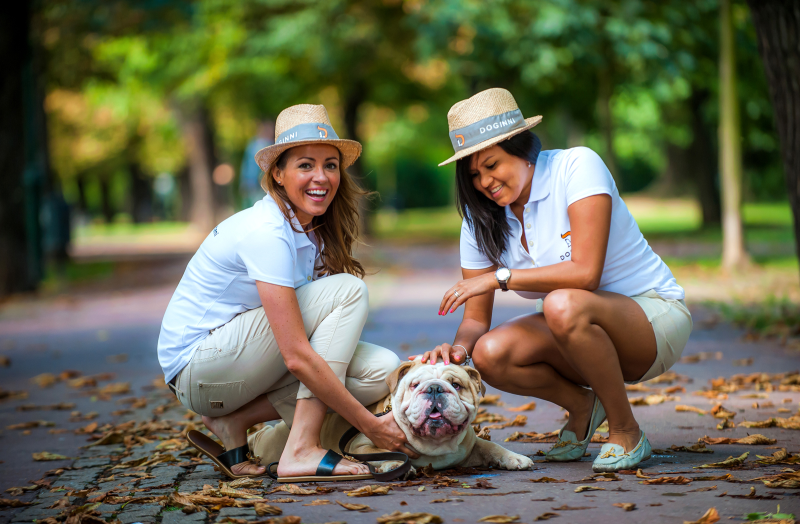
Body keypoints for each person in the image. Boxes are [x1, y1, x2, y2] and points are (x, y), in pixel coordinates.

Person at [418, 88, 692, 472]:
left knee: (562, 303)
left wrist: (499, 278)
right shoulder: (480, 220)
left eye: (492, 165)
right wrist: (456, 352)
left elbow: (585, 273)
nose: (484, 182)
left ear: (522, 148)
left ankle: (626, 431)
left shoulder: (576, 167)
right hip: (576, 333)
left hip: (652, 319)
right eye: (474, 174)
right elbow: (476, 320)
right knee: (489, 354)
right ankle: (583, 407)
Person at [158, 104, 416, 480]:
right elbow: (296, 355)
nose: (321, 177)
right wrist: (371, 425)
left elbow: (321, 344)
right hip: (199, 368)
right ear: (278, 174)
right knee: (348, 291)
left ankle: (235, 421)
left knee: (383, 371)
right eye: (305, 165)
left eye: (330, 165)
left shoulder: (308, 232)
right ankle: (301, 449)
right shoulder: (268, 231)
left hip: (235, 362)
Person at [240, 120, 275, 209]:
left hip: (254, 183)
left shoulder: (252, 144)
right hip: (259, 184)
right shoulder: (267, 145)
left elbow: (245, 165)